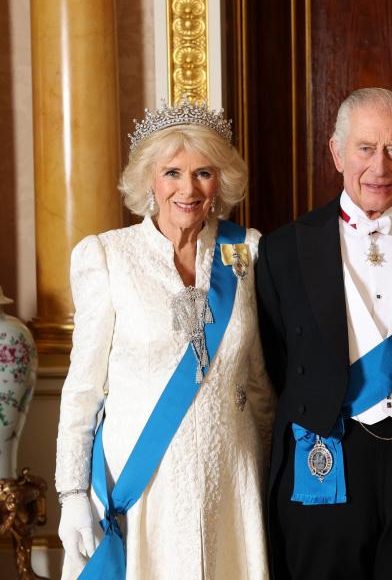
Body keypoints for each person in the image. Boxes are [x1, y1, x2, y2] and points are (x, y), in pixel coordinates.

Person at [257, 87, 392, 580]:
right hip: (327, 455)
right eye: (365, 148)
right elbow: (275, 363)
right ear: (336, 153)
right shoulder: (282, 251)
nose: (380, 167)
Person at [55, 99, 275, 579]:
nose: (187, 189)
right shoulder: (107, 257)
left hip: (230, 483)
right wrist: (72, 495)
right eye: (172, 172)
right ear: (149, 181)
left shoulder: (247, 252)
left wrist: (268, 479)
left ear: (221, 182)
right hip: (143, 484)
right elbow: (83, 390)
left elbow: (258, 381)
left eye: (203, 173)